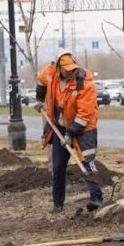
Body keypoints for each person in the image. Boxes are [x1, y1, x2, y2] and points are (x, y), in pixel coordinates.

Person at [36, 53, 103, 213]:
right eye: (66, 69)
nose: (69, 72)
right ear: (59, 68)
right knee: (58, 166)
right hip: (60, 126)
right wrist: (39, 98)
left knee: (87, 161)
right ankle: (58, 204)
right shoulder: (50, 73)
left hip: (83, 128)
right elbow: (41, 80)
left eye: (72, 69)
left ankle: (96, 198)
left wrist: (70, 134)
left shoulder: (84, 83)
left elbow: (85, 114)